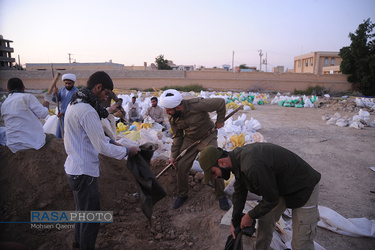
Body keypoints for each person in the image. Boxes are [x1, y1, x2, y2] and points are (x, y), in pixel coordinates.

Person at [63, 71, 140, 250]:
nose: (106, 98)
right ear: (98, 87)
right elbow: (101, 147)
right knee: (91, 219)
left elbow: (93, 137)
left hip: (74, 168)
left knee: (81, 214)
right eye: (106, 93)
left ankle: (77, 244)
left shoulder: (76, 103)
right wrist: (128, 151)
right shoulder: (87, 110)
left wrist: (114, 142)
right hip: (84, 171)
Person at [199, 143, 321, 250]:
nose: (215, 177)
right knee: (265, 219)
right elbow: (240, 192)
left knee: (300, 244)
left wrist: (250, 215)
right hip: (280, 188)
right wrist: (235, 219)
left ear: (222, 162)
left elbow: (271, 200)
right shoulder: (237, 160)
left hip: (303, 187)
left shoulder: (251, 165)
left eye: (213, 173)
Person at [159, 89, 229, 210]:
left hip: (207, 136)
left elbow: (220, 103)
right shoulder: (172, 118)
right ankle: (182, 194)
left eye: (169, 110)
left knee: (215, 162)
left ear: (178, 107)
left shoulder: (197, 105)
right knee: (180, 165)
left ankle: (220, 195)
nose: (167, 113)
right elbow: (177, 137)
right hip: (190, 140)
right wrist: (173, 155)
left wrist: (220, 120)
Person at [1, 77, 51, 153]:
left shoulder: (4, 104)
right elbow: (44, 114)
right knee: (51, 137)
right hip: (33, 144)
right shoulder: (27, 97)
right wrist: (47, 101)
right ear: (24, 88)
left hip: (13, 146)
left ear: (8, 89)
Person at [52, 73, 78, 138]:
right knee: (60, 133)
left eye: (69, 83)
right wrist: (55, 94)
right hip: (61, 116)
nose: (67, 85)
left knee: (69, 135)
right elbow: (57, 100)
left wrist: (63, 112)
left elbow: (74, 106)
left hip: (70, 116)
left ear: (73, 83)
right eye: (66, 83)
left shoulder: (76, 92)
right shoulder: (63, 89)